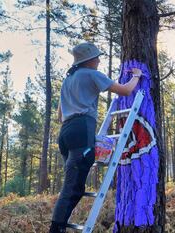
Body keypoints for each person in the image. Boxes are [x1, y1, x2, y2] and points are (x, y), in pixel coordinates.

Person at [49, 42, 141, 233]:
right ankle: (56, 229)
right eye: (97, 57)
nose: (99, 60)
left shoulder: (68, 79)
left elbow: (59, 115)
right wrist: (136, 76)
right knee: (71, 186)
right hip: (82, 129)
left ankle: (60, 226)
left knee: (76, 186)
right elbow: (126, 90)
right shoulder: (91, 74)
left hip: (66, 132)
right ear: (89, 60)